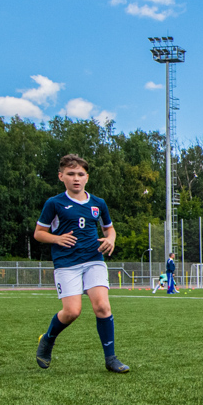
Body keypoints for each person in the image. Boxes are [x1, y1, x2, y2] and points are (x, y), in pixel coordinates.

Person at [33, 154, 127, 373]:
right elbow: (39, 233)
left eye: (80, 174)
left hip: (93, 260)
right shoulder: (54, 203)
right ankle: (48, 339)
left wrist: (111, 239)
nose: (76, 178)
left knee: (102, 306)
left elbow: (108, 228)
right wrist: (56, 238)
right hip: (66, 263)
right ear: (61, 176)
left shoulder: (98, 203)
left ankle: (111, 358)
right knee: (72, 312)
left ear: (87, 177)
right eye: (71, 174)